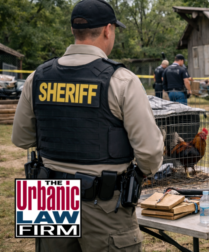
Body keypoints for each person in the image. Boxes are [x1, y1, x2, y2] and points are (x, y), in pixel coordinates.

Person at [11, 0, 164, 251]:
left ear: (73, 31)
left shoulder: (37, 76)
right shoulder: (122, 80)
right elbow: (149, 153)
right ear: (107, 30)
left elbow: (21, 139)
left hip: (48, 196)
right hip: (104, 202)